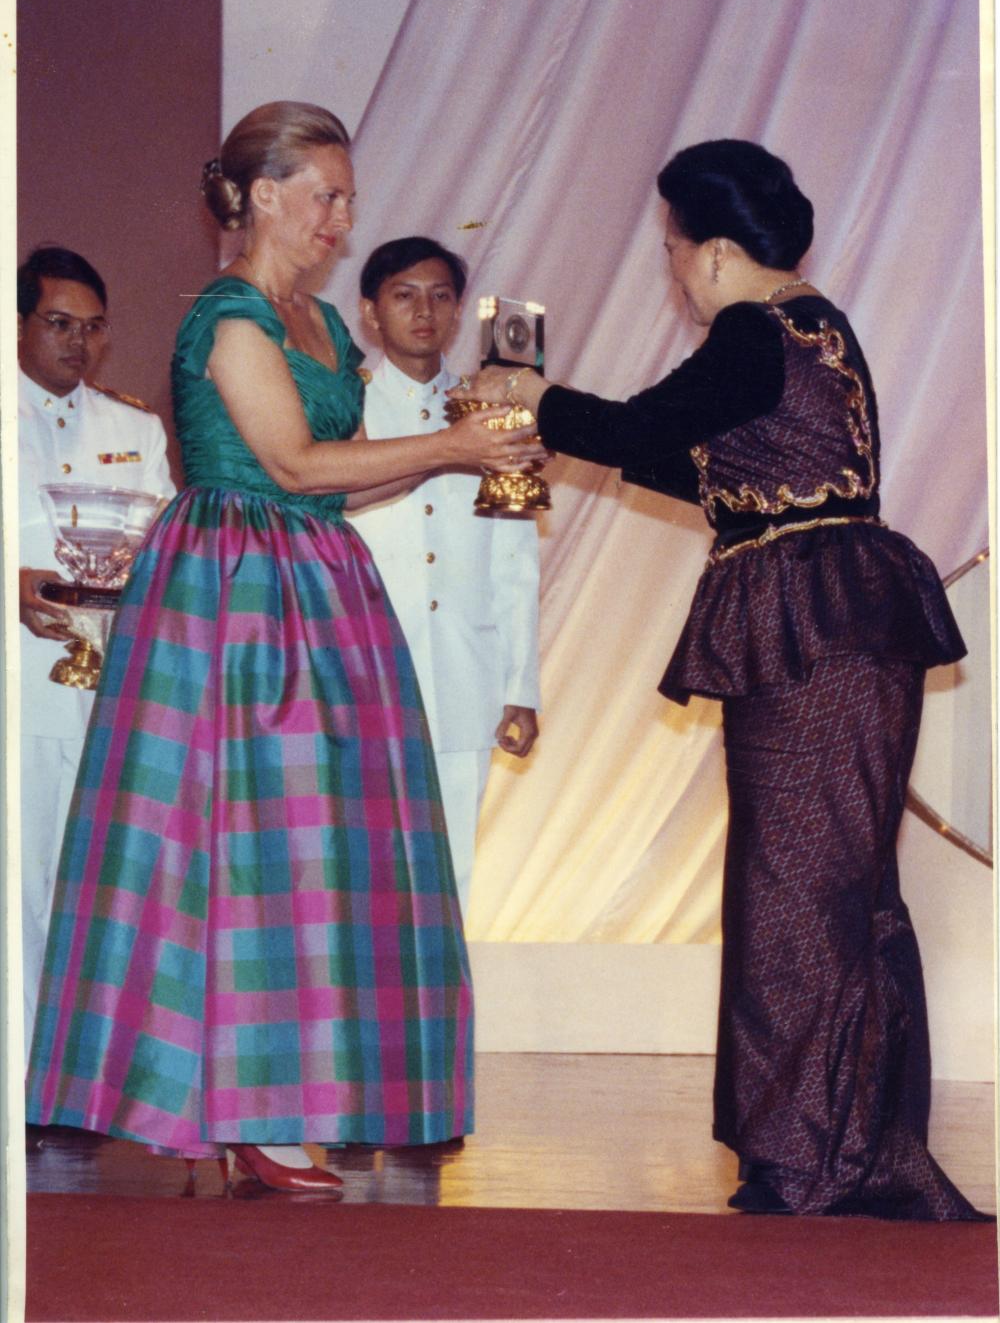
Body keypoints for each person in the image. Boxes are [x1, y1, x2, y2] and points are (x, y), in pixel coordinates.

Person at [460, 139, 986, 1221]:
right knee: (835, 890)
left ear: (710, 253)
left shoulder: (753, 332)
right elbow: (690, 462)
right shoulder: (808, 327)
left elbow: (643, 427)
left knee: (797, 893)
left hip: (811, 628)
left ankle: (812, 1160)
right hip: (838, 624)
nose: (671, 270)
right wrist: (552, 415)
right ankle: (849, 1150)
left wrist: (532, 398)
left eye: (669, 248)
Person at [25, 101, 537, 1194]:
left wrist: (460, 455)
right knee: (234, 845)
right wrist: (449, 439)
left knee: (315, 854)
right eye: (328, 197)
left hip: (315, 578)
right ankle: (235, 1109)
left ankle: (277, 1104)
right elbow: (294, 464)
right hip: (234, 587)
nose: (342, 220)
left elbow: (345, 473)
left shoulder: (314, 325)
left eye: (347, 199)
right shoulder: (231, 314)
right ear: (262, 196)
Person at [18, 246, 175, 1061]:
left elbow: (166, 549)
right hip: (19, 690)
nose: (76, 343)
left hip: (112, 690)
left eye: (92, 328)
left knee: (101, 884)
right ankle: (27, 1069)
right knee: (24, 885)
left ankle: (81, 1067)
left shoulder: (134, 427)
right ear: (18, 323)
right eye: (57, 324)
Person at [351, 236, 541, 912]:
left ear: (461, 311)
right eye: (403, 295)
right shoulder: (344, 410)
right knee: (365, 866)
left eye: (439, 296)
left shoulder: (491, 414)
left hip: (465, 671)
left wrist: (519, 685)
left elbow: (515, 559)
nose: (423, 311)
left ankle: (440, 1016)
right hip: (363, 675)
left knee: (452, 869)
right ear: (371, 312)